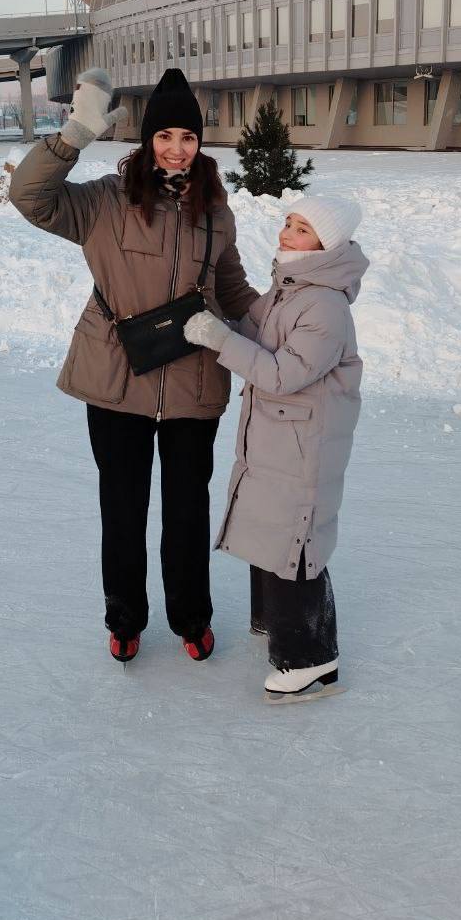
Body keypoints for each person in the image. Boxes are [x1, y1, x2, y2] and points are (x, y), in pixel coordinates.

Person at [9, 67, 258, 664]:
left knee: (187, 506)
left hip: (194, 379)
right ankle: (124, 617)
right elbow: (30, 197)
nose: (177, 149)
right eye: (166, 136)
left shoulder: (216, 214)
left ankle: (191, 617)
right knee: (122, 505)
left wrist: (291, 329)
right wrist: (73, 134)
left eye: (189, 138)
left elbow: (234, 290)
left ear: (201, 146)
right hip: (117, 376)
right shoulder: (103, 202)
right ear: (148, 141)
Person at [184, 196, 367, 702]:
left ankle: (311, 659)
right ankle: (275, 624)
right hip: (277, 436)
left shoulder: (325, 305)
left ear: (326, 245)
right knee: (269, 527)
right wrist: (211, 318)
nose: (287, 233)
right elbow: (253, 333)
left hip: (304, 443)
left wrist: (218, 338)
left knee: (294, 541)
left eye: (303, 228)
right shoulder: (289, 288)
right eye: (288, 223)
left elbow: (283, 373)